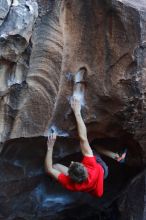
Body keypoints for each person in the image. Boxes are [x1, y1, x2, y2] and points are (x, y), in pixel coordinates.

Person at [45, 97, 127, 197]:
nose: (71, 162)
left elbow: (49, 169)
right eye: (73, 164)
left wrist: (50, 147)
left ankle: (117, 157)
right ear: (84, 166)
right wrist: (77, 112)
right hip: (102, 171)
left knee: (54, 167)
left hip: (99, 177)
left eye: (72, 164)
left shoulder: (71, 185)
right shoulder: (91, 165)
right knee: (94, 147)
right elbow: (83, 138)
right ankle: (116, 156)